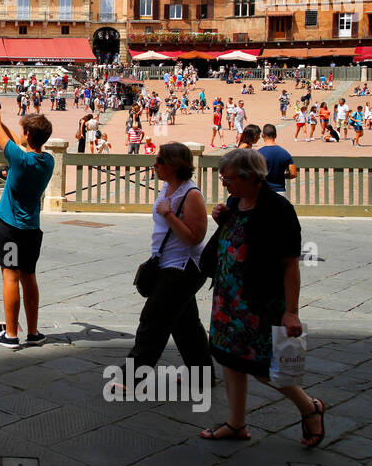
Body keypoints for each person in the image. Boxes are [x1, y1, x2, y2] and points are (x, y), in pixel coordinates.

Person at [199, 149, 325, 447]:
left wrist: (291, 311)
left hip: (259, 301)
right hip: (228, 299)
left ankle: (310, 408)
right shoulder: (234, 202)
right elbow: (239, 238)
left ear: (249, 177)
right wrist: (223, 221)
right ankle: (237, 423)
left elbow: (290, 263)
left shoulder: (277, 210)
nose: (224, 183)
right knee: (230, 360)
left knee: (264, 368)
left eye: (228, 178)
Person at [122, 143, 211, 384]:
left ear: (173, 164)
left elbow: (195, 237)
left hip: (185, 266)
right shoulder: (167, 187)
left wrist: (168, 214)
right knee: (185, 324)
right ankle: (202, 375)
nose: (155, 164)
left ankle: (132, 377)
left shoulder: (191, 194)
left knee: (153, 319)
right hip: (167, 263)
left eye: (159, 160)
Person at [0, 97, 54, 350]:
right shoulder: (47, 161)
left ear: (27, 134)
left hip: (10, 227)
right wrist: (19, 135)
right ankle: (33, 332)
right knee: (29, 277)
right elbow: (14, 143)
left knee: (10, 278)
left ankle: (11, 334)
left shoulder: (20, 159)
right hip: (31, 229)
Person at [257, 124, 297, 198]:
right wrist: (282, 175)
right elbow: (293, 173)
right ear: (276, 135)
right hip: (280, 191)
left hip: (263, 191)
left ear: (262, 135)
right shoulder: (285, 153)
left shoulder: (258, 153)